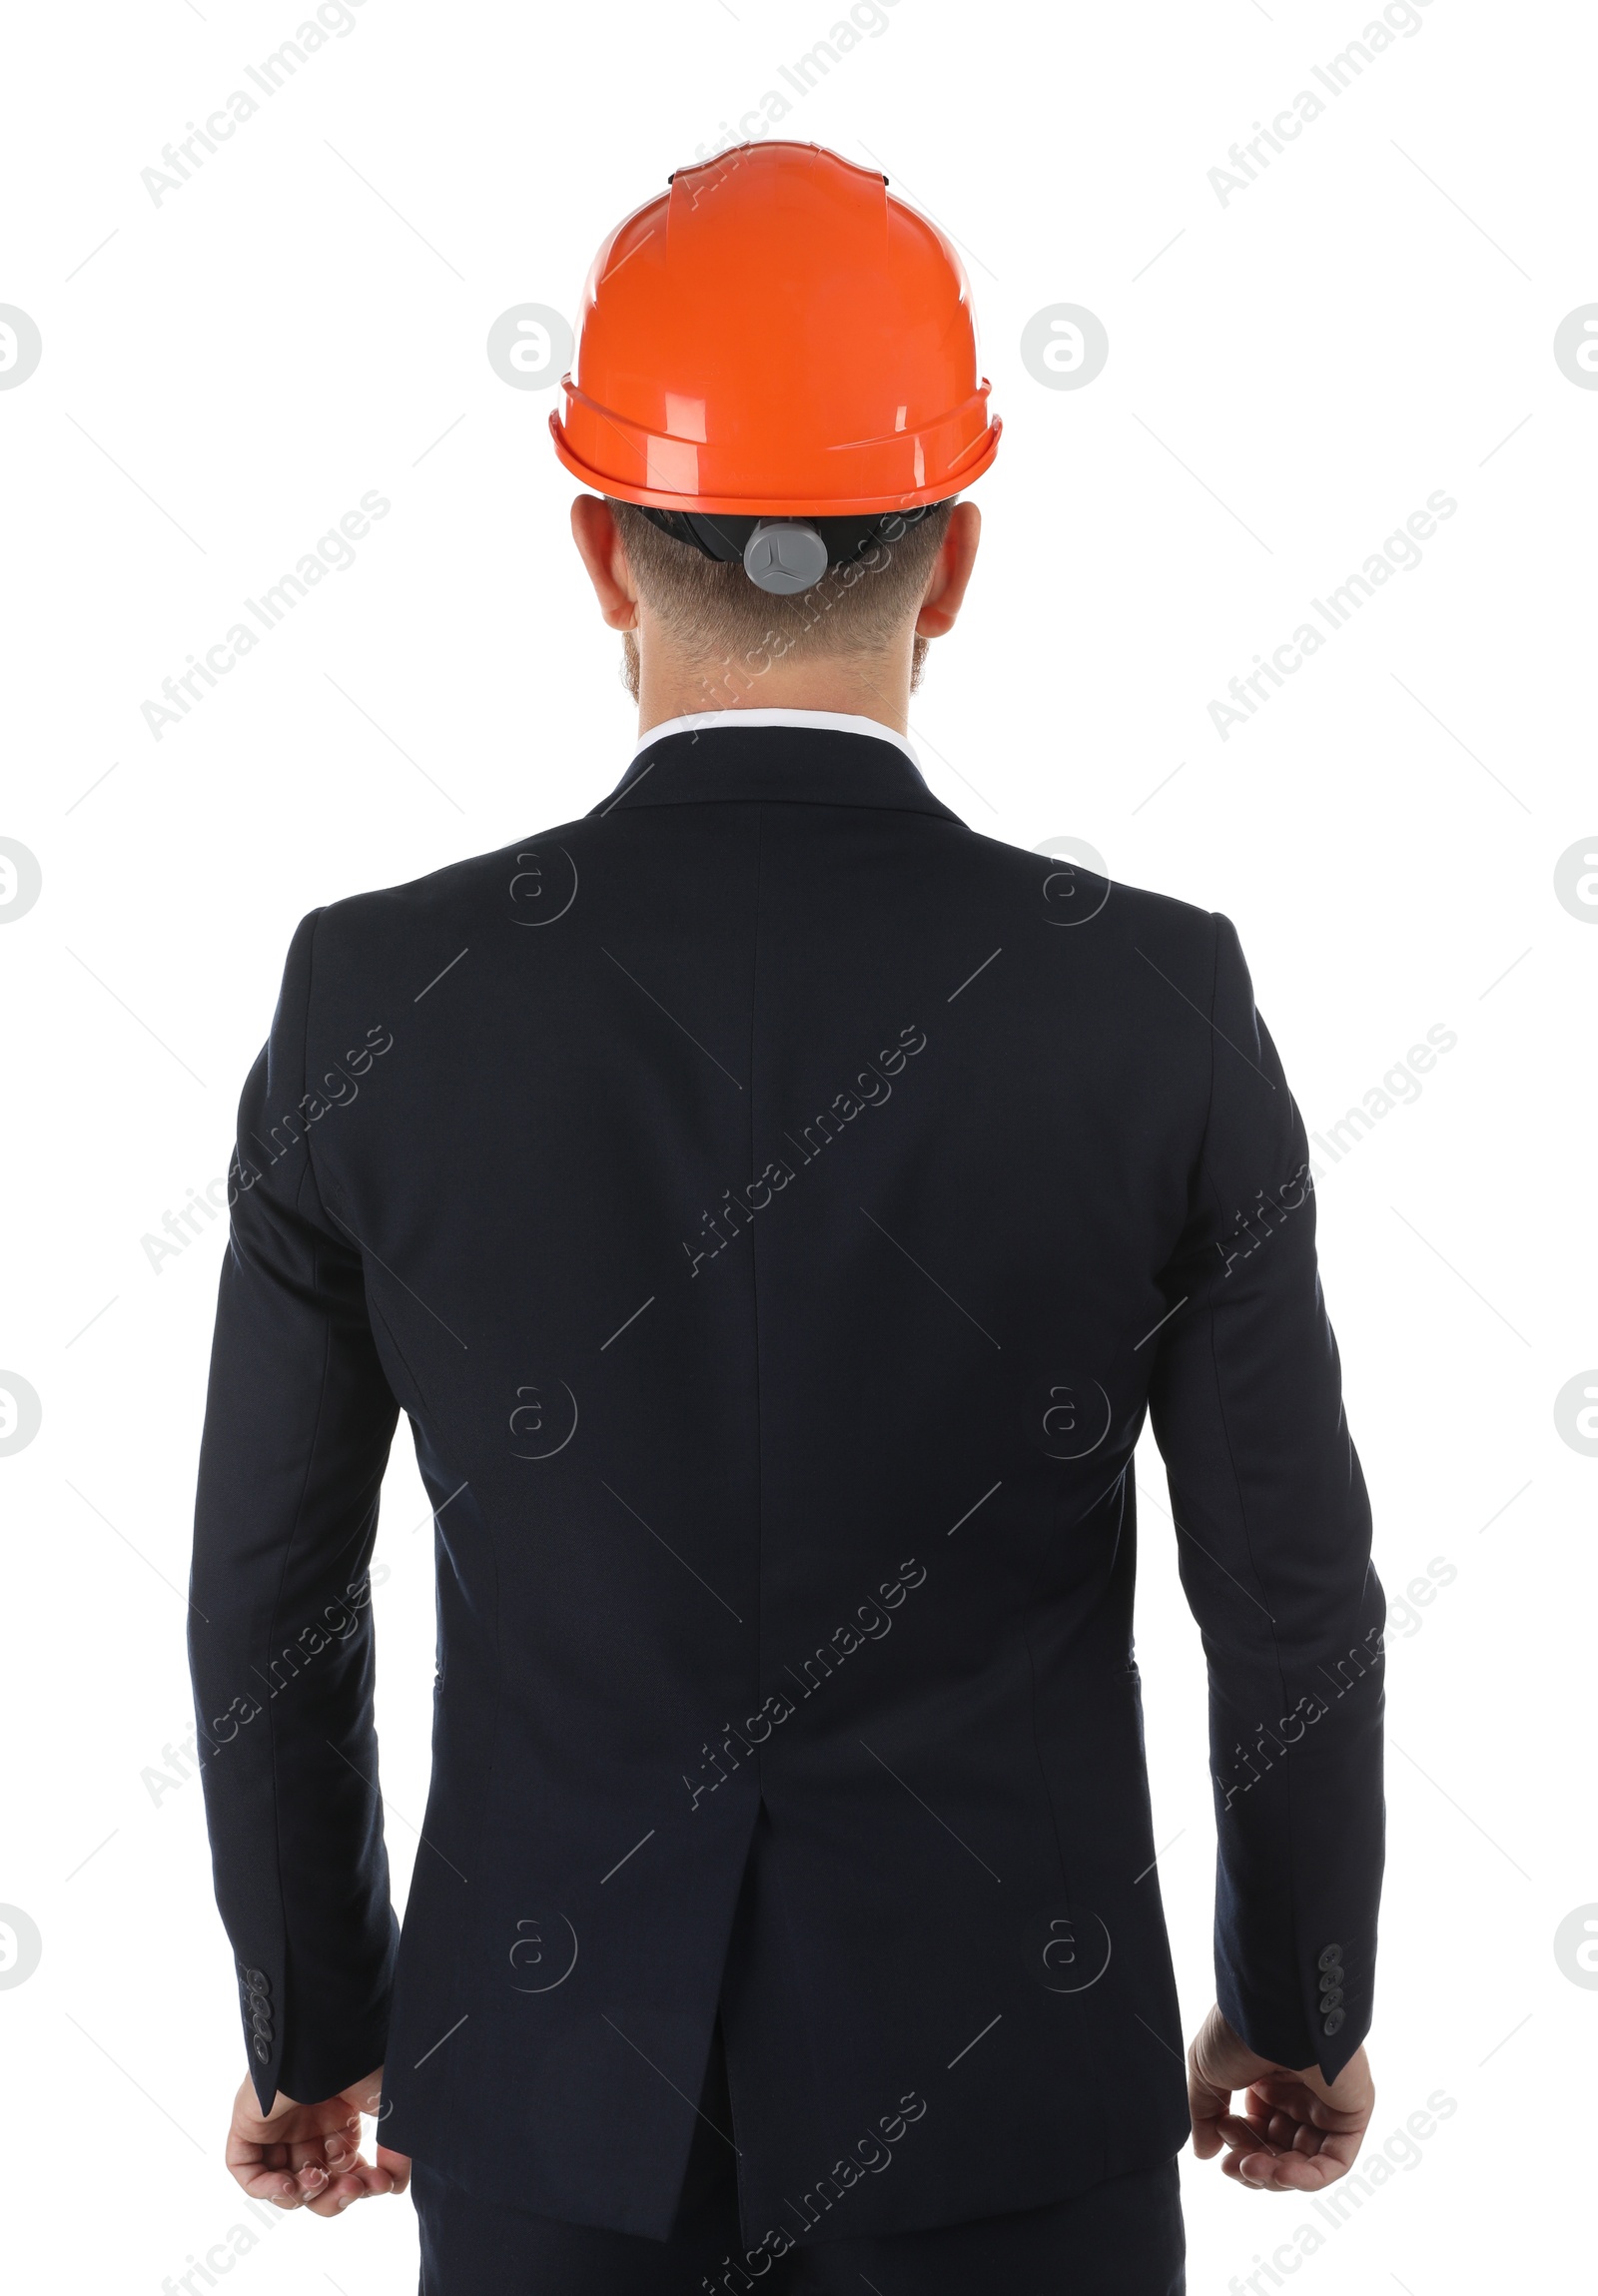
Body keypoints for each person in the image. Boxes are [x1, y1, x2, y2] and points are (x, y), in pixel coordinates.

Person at [189, 141, 1383, 2294]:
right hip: (1013, 2109)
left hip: (555, 2112)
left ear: (594, 549)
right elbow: (1287, 1599)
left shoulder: (380, 1001)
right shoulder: (1148, 1001)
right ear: (949, 567)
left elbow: (270, 1593)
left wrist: (314, 2024)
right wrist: (1294, 2006)